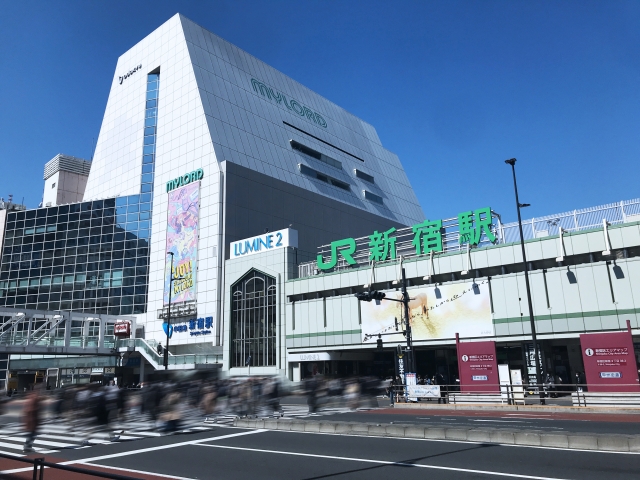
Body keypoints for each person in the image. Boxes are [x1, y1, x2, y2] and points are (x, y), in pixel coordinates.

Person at [22, 387, 42, 453]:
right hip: (33, 419)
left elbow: (27, 410)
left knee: (31, 434)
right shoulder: (35, 398)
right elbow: (34, 410)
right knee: (32, 434)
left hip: (29, 419)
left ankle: (27, 446)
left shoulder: (29, 398)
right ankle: (27, 447)